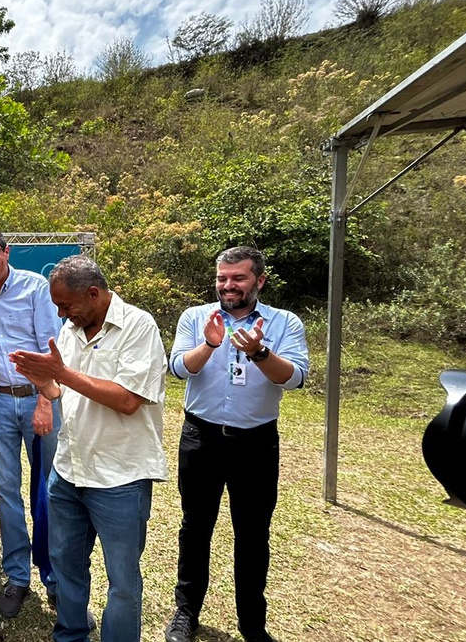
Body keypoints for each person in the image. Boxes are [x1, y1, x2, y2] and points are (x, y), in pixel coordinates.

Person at [10, 254, 167, 642]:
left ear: (93, 293)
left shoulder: (138, 326)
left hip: (119, 476)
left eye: (67, 305)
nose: (62, 314)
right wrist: (44, 382)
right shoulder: (71, 330)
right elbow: (62, 391)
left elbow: (129, 400)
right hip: (69, 470)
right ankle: (71, 634)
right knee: (66, 565)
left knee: (123, 579)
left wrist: (61, 373)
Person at [164, 246, 309, 642]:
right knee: (195, 527)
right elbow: (178, 368)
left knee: (252, 532)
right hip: (201, 437)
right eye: (222, 278)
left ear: (259, 280)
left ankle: (252, 625)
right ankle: (186, 613)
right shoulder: (196, 318)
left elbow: (294, 378)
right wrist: (210, 345)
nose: (228, 286)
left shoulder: (284, 322)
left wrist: (259, 352)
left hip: (256, 443)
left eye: (238, 278)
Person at [0, 228, 62, 617]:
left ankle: (54, 578)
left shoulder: (35, 287)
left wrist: (44, 400)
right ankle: (17, 576)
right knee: (6, 491)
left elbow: (51, 349)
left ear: (7, 252)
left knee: (50, 491)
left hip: (39, 400)